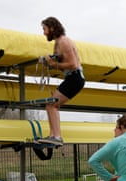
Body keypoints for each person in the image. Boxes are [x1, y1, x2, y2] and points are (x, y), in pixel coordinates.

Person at [38, 17, 85, 146]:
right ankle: (53, 135)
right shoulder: (58, 43)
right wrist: (47, 61)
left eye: (45, 29)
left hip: (75, 78)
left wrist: (52, 64)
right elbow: (58, 60)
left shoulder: (64, 42)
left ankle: (57, 136)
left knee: (51, 105)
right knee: (51, 104)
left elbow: (73, 64)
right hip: (72, 78)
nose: (44, 33)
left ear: (52, 28)